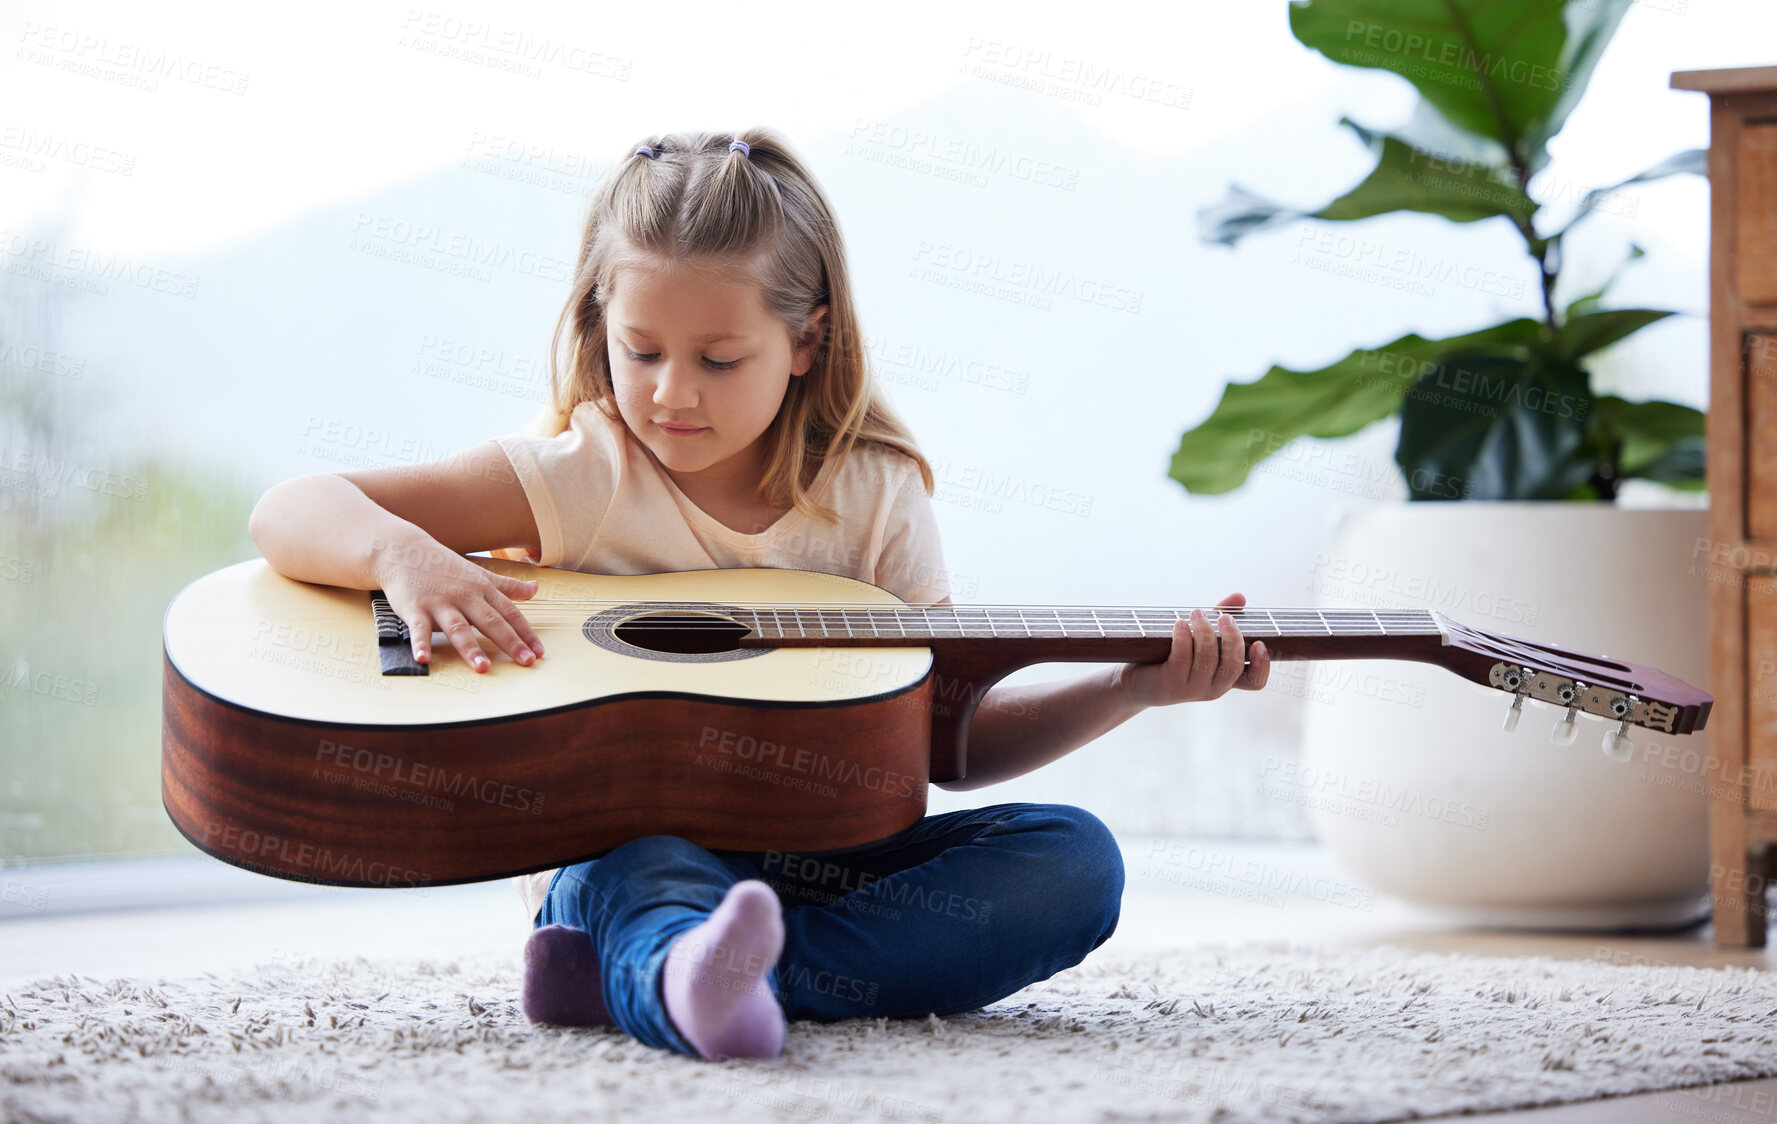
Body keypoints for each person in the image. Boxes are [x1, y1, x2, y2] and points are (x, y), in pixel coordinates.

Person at [246, 128, 1270, 1063]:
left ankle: (668, 973)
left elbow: (947, 745)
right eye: (639, 349)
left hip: (833, 851)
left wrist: (1130, 688)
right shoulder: (584, 471)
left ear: (807, 342)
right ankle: (670, 956)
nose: (668, 392)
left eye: (718, 358)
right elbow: (292, 508)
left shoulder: (873, 495)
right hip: (631, 849)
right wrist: (403, 555)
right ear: (600, 321)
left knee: (1073, 859)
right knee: (640, 871)